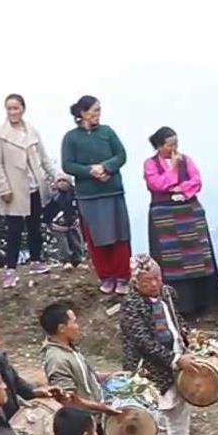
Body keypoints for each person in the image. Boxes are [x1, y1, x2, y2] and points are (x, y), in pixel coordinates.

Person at [40, 301, 130, 435]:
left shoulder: (68, 348)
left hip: (90, 421)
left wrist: (108, 375)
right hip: (79, 424)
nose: (78, 325)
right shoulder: (56, 359)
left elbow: (84, 378)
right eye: (74, 321)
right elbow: (69, 399)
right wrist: (103, 408)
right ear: (62, 327)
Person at [119, 257, 206, 435]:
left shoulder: (166, 294)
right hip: (147, 370)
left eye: (158, 278)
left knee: (180, 413)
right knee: (146, 419)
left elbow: (174, 322)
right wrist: (175, 360)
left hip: (175, 365)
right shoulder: (131, 304)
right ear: (136, 282)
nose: (155, 284)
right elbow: (143, 342)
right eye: (149, 280)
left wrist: (190, 337)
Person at [59, 95, 133, 295]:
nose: (98, 114)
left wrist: (106, 167)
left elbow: (121, 155)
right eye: (94, 110)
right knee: (97, 238)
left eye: (99, 110)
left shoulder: (107, 132)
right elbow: (68, 164)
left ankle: (123, 276)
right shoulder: (71, 137)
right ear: (82, 113)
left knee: (120, 235)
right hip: (89, 195)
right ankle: (107, 276)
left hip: (112, 190)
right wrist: (90, 171)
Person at [141, 127, 217, 318]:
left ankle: (205, 302)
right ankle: (180, 305)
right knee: (171, 260)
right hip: (164, 215)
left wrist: (181, 190)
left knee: (197, 254)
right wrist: (173, 170)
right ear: (159, 146)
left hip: (188, 210)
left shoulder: (187, 160)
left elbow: (196, 181)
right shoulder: (150, 164)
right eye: (170, 144)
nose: (174, 148)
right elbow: (156, 184)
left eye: (176, 143)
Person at [0, 94, 66, 288]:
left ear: (22, 109)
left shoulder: (32, 131)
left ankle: (36, 260)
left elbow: (44, 159)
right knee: (14, 230)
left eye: (16, 108)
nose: (12, 112)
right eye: (9, 108)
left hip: (34, 185)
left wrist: (58, 176)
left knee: (35, 226)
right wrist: (3, 187)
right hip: (13, 188)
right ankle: (10, 269)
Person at [43, 178, 87, 267]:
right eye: (59, 181)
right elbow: (47, 210)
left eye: (64, 181)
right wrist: (46, 222)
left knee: (76, 242)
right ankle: (66, 261)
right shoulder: (53, 196)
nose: (62, 184)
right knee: (63, 244)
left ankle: (77, 260)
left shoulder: (75, 194)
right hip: (57, 225)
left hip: (72, 224)